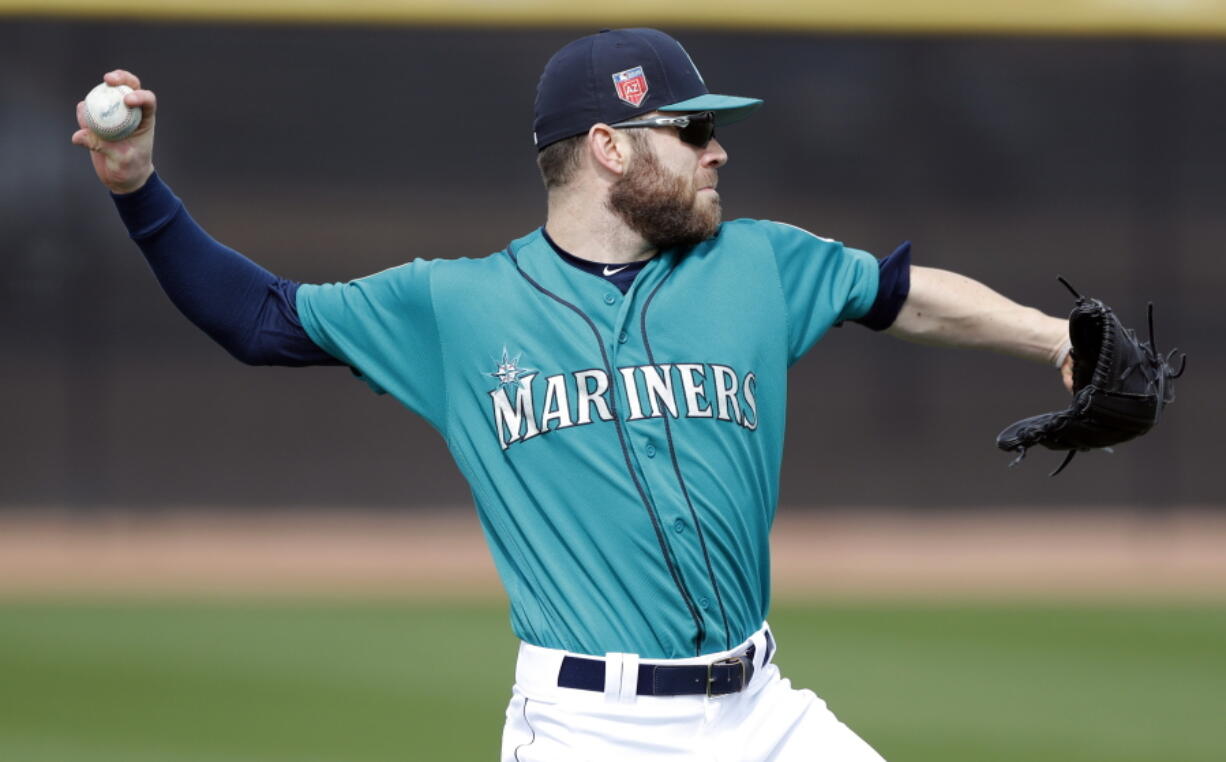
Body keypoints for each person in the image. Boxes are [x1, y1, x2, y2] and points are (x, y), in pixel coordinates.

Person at [73, 28, 1073, 762]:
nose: (716, 149)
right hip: (594, 729)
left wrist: (1055, 340)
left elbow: (901, 294)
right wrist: (137, 190)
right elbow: (258, 320)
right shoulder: (457, 305)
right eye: (688, 130)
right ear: (608, 148)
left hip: (764, 712)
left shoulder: (756, 263)